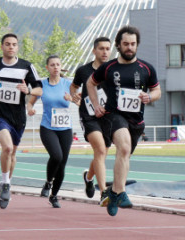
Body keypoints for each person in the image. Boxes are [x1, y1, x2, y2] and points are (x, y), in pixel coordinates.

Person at [86, 26, 161, 216]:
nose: (129, 47)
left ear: (137, 45)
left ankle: (113, 192)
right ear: (118, 45)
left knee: (125, 156)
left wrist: (149, 97)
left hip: (136, 119)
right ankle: (121, 192)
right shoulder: (108, 67)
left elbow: (157, 91)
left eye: (133, 44)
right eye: (126, 44)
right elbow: (90, 83)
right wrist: (96, 104)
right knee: (124, 148)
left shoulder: (146, 68)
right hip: (113, 115)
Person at [0, 33, 42, 209]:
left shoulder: (26, 66)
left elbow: (40, 89)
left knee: (13, 153)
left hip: (17, 117)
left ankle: (6, 181)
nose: (11, 47)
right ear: (2, 46)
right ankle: (5, 183)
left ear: (17, 47)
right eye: (7, 44)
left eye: (14, 44)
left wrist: (28, 90)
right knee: (7, 147)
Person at [27, 55, 73, 208]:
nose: (55, 67)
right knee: (56, 156)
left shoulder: (68, 84)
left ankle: (54, 196)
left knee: (62, 164)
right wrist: (30, 109)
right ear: (47, 67)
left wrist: (72, 99)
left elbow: (79, 101)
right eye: (52, 65)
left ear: (61, 67)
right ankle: (48, 182)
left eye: (58, 64)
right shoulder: (42, 85)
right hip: (48, 127)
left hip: (66, 129)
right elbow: (30, 102)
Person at [70, 37, 112, 205]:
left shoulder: (114, 70)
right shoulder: (83, 71)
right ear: (94, 51)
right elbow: (73, 86)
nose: (105, 52)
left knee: (102, 152)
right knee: (100, 150)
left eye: (108, 48)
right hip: (88, 115)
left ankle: (88, 178)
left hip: (108, 116)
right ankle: (103, 192)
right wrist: (74, 96)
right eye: (101, 48)